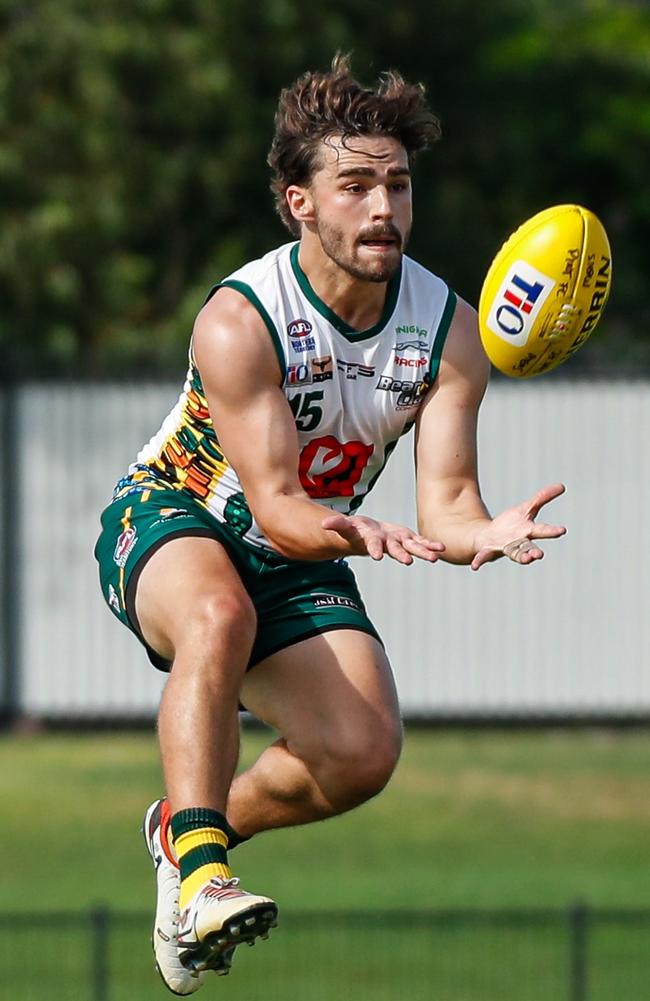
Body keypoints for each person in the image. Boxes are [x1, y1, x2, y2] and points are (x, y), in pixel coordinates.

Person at [94, 53, 566, 995]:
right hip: (176, 513)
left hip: (305, 544)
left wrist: (485, 533)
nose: (382, 206)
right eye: (354, 185)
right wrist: (363, 533)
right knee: (218, 614)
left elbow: (449, 502)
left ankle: (184, 825)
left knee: (362, 753)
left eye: (396, 182)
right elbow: (272, 506)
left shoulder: (449, 330)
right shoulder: (242, 319)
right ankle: (199, 877)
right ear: (299, 202)